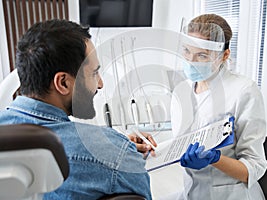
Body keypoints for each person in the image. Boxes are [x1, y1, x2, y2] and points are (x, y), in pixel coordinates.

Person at [0, 19, 155, 200]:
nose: (100, 84)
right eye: (94, 73)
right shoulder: (110, 151)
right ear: (63, 83)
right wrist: (118, 151)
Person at [170, 14, 267, 199]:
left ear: (225, 55)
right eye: (186, 51)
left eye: (202, 55)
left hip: (230, 194)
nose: (191, 61)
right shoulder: (181, 91)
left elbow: (254, 167)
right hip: (191, 191)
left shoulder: (244, 91)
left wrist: (214, 159)